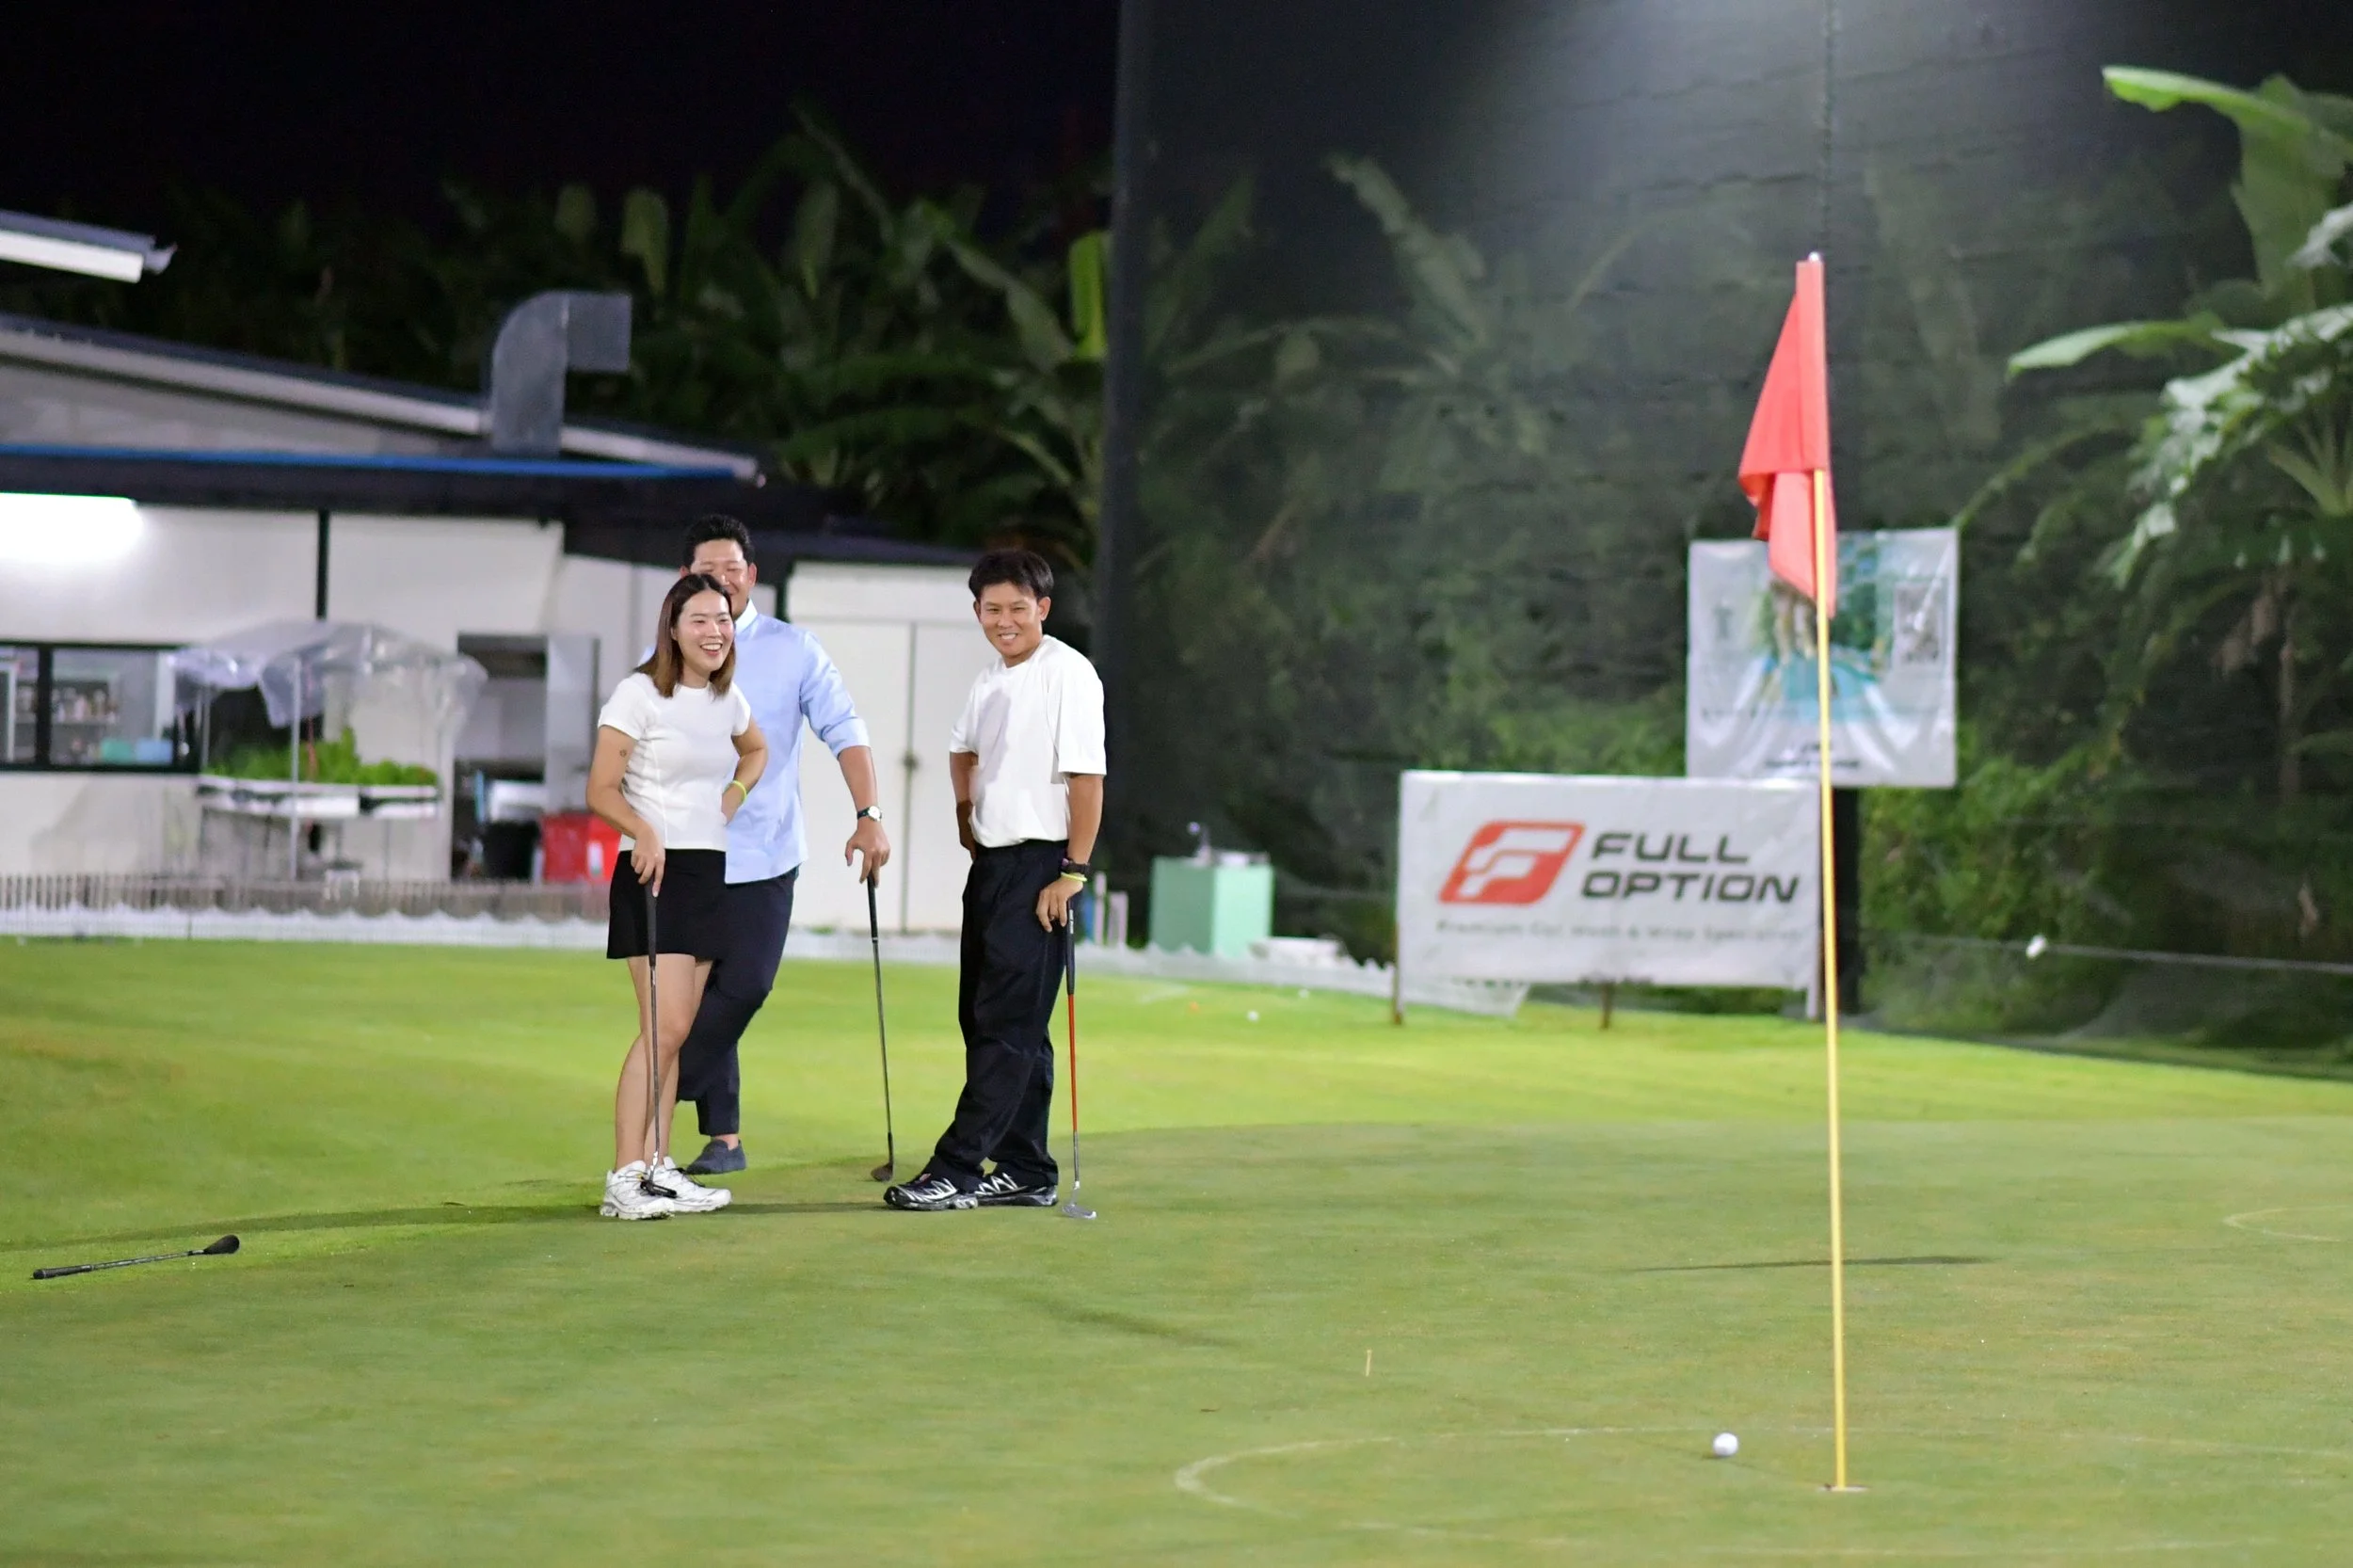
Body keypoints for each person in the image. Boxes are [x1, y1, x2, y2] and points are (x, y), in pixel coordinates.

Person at [886, 549, 1106, 1212]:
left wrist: (1073, 870)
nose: (1004, 620)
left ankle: (956, 1166)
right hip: (995, 866)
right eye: (991, 609)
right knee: (994, 1021)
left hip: (1044, 865)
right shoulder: (990, 680)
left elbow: (1088, 780)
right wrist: (965, 812)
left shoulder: (1067, 673)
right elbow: (962, 749)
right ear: (977, 611)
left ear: (1042, 608)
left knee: (1006, 1024)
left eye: (1017, 608)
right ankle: (1025, 1167)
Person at [669, 515, 889, 1176]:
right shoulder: (665, 656)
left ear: (752, 578)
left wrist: (869, 812)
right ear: (686, 580)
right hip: (688, 855)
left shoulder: (794, 649)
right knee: (698, 997)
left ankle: (657, 1085)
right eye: (709, 572)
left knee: (745, 987)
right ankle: (725, 1139)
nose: (724, 583)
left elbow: (844, 728)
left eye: (734, 571)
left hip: (765, 856)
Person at [587, 572, 767, 1220]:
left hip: (705, 872)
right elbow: (601, 788)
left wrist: (733, 797)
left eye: (723, 620)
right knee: (661, 1028)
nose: (715, 631)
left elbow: (756, 750)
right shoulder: (638, 695)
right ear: (672, 627)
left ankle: (660, 1168)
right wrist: (643, 831)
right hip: (653, 872)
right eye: (700, 619)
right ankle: (625, 1175)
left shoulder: (726, 699)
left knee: (679, 1033)